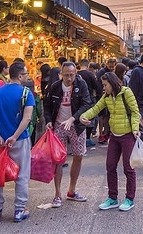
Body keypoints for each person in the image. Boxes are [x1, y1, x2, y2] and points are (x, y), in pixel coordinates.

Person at [80, 72, 139, 211]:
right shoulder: (106, 96)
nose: (104, 87)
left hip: (128, 135)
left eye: (105, 85)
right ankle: (112, 198)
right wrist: (83, 116)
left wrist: (135, 128)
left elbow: (135, 112)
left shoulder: (126, 92)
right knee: (110, 167)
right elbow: (96, 108)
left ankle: (130, 199)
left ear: (112, 83)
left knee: (128, 168)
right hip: (114, 136)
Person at [0, 62, 35, 223]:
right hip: (19, 140)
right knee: (22, 175)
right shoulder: (26, 93)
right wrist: (14, 136)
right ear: (19, 76)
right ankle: (19, 210)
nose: (27, 76)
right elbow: (27, 118)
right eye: (26, 74)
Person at [43, 62, 93, 208]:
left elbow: (86, 103)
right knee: (58, 159)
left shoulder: (81, 85)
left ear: (75, 73)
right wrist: (48, 121)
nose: (69, 78)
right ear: (61, 74)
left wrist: (73, 118)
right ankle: (57, 193)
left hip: (76, 126)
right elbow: (47, 105)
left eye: (71, 75)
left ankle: (71, 190)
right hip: (59, 125)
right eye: (66, 75)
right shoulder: (55, 87)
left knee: (78, 156)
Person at [77, 59, 101, 146]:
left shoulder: (76, 74)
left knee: (80, 117)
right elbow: (96, 86)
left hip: (78, 99)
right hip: (90, 98)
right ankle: (87, 138)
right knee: (90, 118)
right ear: (87, 66)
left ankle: (79, 138)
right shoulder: (90, 74)